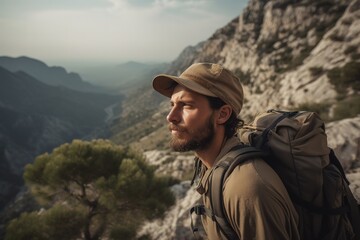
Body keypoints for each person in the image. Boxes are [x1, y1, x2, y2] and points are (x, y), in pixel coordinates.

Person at [152, 63, 300, 240]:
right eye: (173, 104)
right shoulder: (212, 167)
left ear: (222, 114)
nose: (171, 116)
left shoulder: (247, 189)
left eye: (186, 105)